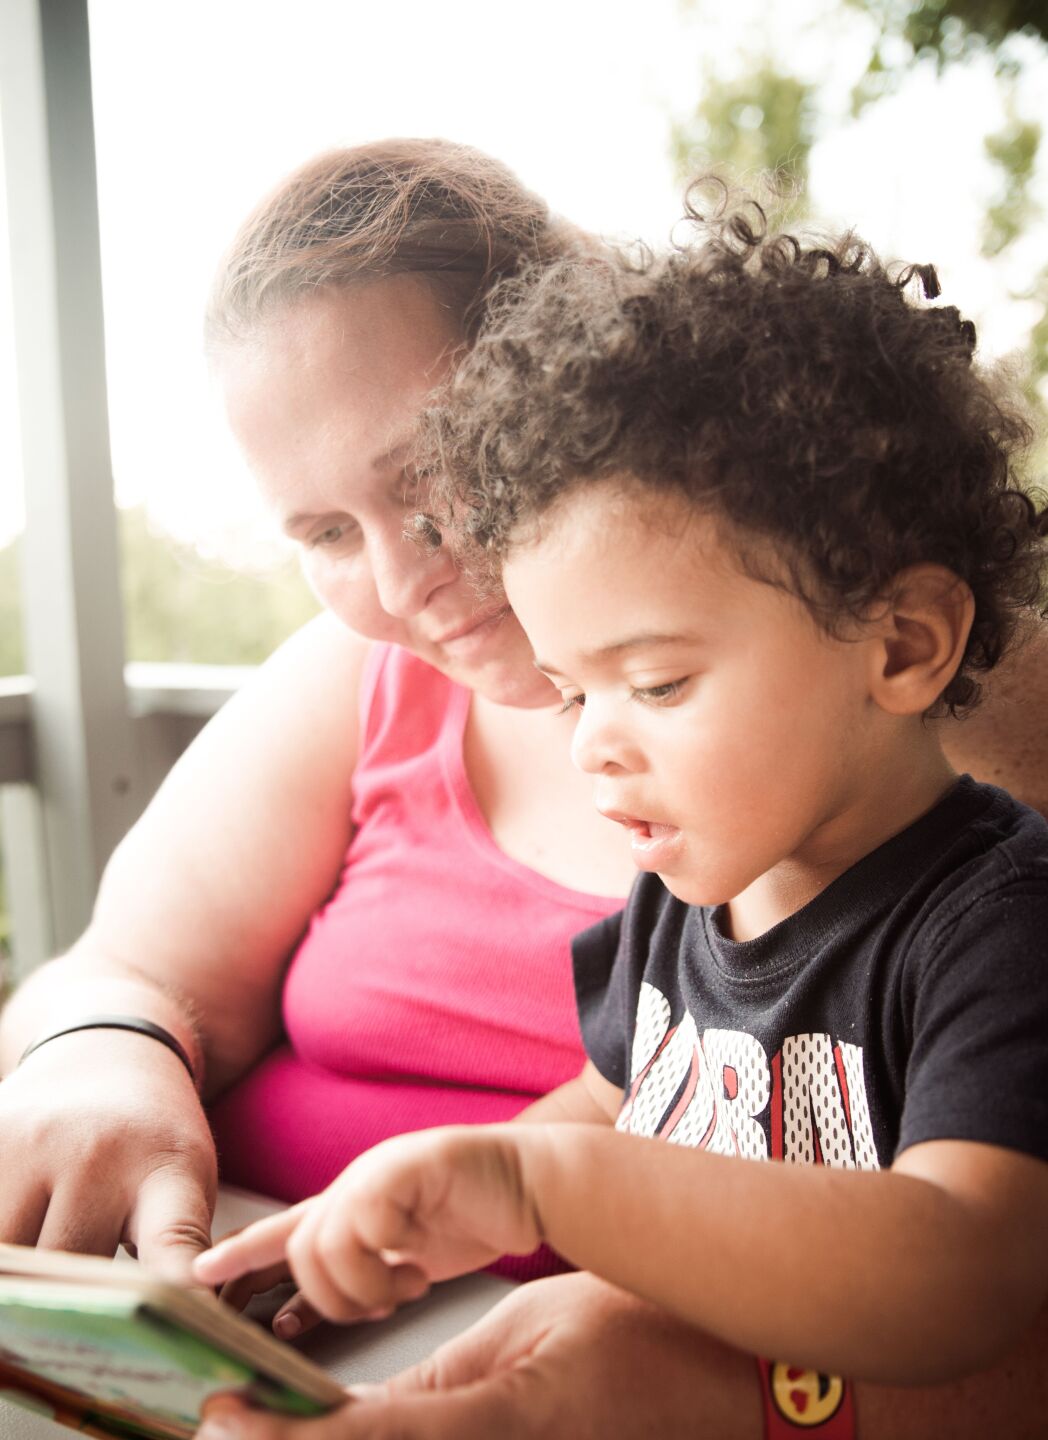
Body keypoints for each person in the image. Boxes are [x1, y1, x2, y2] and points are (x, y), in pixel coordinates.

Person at [0, 144, 1045, 1439]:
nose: (399, 580)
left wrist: (538, 1192)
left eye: (653, 683)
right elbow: (624, 1090)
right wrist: (400, 1204)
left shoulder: (984, 902)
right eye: (324, 532)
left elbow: (968, 1267)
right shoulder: (690, 879)